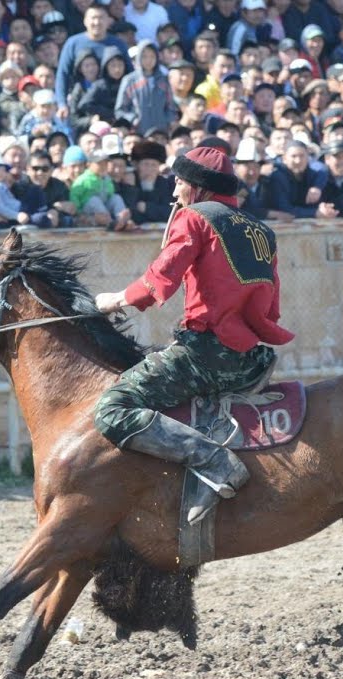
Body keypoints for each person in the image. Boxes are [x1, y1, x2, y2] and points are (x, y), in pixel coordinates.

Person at [92, 145, 294, 525]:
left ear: (198, 187)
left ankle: (214, 462)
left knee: (112, 409)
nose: (173, 193)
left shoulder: (194, 218)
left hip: (206, 355)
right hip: (251, 360)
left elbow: (160, 282)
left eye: (179, 183)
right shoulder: (263, 231)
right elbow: (271, 311)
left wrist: (113, 301)